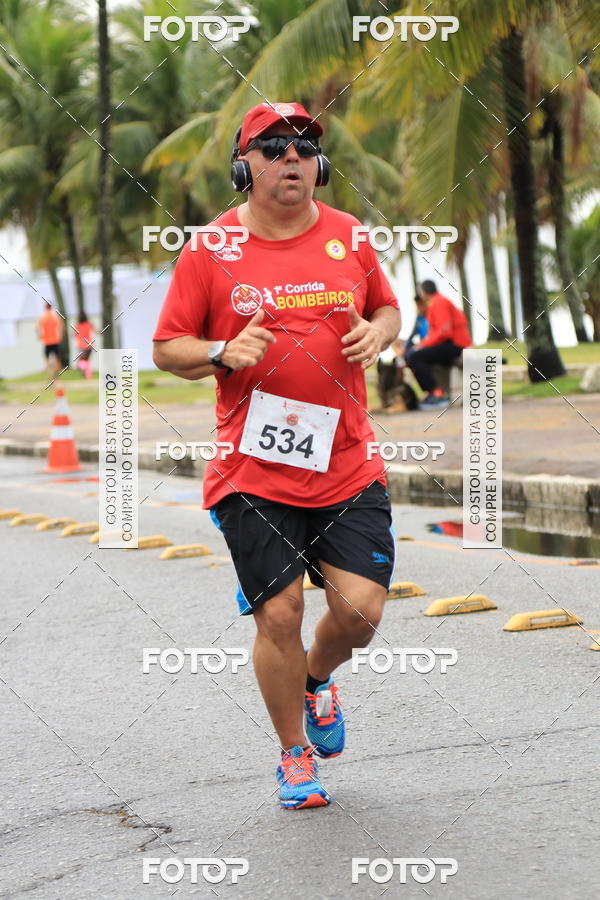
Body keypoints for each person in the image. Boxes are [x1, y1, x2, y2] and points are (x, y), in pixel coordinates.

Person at [152, 101, 401, 810]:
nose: (291, 157)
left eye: (303, 146)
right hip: (251, 468)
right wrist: (221, 351)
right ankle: (294, 756)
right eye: (272, 147)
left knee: (359, 614)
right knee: (283, 614)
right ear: (245, 167)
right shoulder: (210, 251)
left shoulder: (349, 237)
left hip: (346, 460)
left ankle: (317, 678)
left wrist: (379, 334)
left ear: (318, 165)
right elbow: (168, 347)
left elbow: (387, 308)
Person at [407, 279, 472, 407]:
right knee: (412, 354)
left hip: (455, 346)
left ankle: (437, 395)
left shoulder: (439, 302)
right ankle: (433, 393)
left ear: (423, 292)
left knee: (415, 356)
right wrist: (422, 344)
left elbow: (444, 332)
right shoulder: (437, 302)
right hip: (450, 344)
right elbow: (436, 332)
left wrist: (422, 345)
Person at [37, 301, 64, 378]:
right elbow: (61, 326)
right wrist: (61, 336)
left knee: (46, 358)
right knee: (57, 358)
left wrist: (40, 336)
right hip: (55, 340)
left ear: (45, 307)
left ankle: (50, 373)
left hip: (46, 341)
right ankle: (56, 374)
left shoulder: (42, 317)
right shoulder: (55, 316)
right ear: (51, 307)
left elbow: (38, 328)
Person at [75, 313, 95, 379]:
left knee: (81, 361)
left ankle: (84, 371)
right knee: (86, 360)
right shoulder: (89, 324)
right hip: (89, 344)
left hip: (81, 345)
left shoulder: (78, 325)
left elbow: (74, 334)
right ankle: (88, 375)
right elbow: (95, 329)